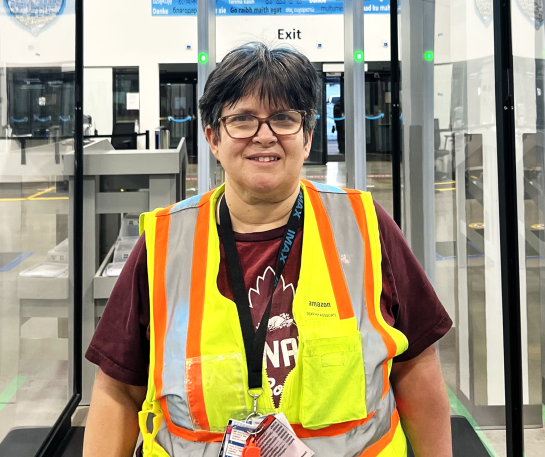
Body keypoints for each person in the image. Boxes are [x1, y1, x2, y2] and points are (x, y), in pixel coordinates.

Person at [84, 43, 453, 457]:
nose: (265, 135)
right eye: (242, 119)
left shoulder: (365, 226)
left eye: (283, 118)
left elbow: (416, 367)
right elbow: (117, 389)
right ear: (213, 138)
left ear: (307, 136)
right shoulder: (165, 243)